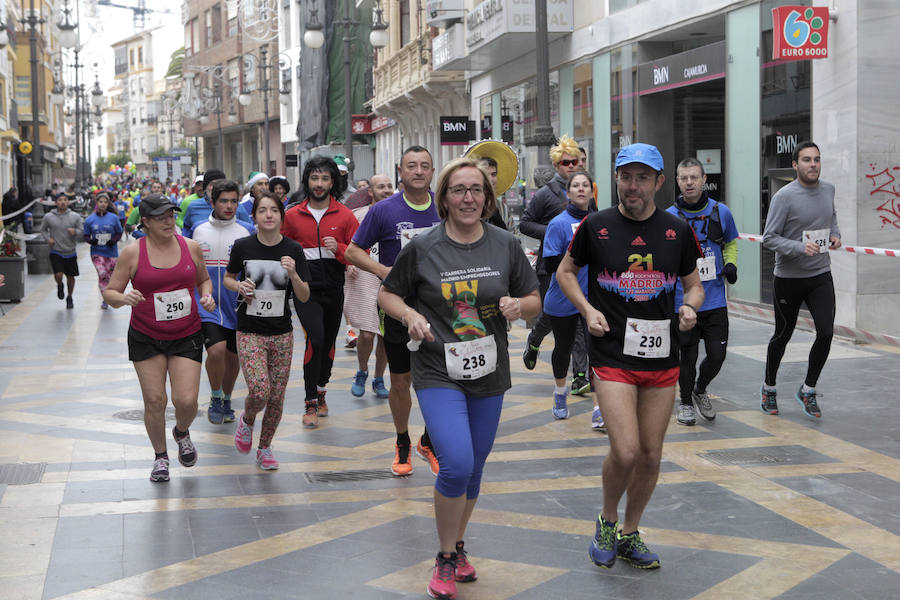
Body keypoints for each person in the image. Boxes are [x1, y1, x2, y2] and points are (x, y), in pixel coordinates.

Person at [378, 157, 540, 599]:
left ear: (488, 199)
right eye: (458, 190)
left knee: (475, 468)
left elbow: (534, 299)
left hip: (489, 369)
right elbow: (387, 293)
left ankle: (459, 545)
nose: (468, 198)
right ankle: (445, 557)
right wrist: (410, 313)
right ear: (444, 199)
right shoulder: (423, 246)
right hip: (437, 369)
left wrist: (519, 308)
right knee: (457, 462)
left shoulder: (505, 245)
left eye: (476, 190)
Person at [556, 143, 703, 570]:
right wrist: (587, 309)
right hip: (612, 353)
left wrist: (690, 305)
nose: (632, 186)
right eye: (625, 177)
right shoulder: (595, 226)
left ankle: (630, 532)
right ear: (615, 180)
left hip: (662, 357)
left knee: (651, 455)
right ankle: (606, 519)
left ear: (659, 182)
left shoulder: (676, 230)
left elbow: (694, 283)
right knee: (625, 451)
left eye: (642, 177)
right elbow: (565, 272)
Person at [102, 194, 216, 482]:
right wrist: (124, 298)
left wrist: (206, 295)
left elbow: (203, 279)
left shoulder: (190, 247)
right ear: (146, 222)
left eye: (171, 215)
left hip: (186, 332)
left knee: (187, 400)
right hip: (146, 335)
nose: (169, 221)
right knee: (155, 400)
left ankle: (181, 431)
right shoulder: (133, 252)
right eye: (161, 217)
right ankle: (161, 457)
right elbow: (110, 292)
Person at [345, 145, 442, 477]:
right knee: (401, 380)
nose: (418, 171)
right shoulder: (383, 211)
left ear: (432, 172)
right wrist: (385, 271)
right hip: (397, 305)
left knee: (439, 379)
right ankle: (402, 440)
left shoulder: (446, 207)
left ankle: (429, 440)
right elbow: (352, 251)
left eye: (424, 166)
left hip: (441, 306)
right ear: (401, 172)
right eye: (411, 166)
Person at [225, 191, 310, 469]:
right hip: (249, 330)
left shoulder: (293, 249)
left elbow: (305, 295)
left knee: (276, 396)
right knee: (260, 390)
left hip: (281, 332)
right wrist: (240, 286)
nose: (269, 215)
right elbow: (228, 278)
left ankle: (265, 448)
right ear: (254, 217)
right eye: (262, 210)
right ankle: (247, 419)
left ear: (282, 217)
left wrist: (294, 274)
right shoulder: (243, 246)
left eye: (274, 210)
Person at [761, 141, 840, 419]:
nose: (813, 165)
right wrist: (798, 247)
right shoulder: (784, 197)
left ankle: (808, 389)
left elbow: (831, 216)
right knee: (782, 335)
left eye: (816, 159)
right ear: (795, 165)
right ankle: (769, 387)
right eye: (806, 160)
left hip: (820, 274)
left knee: (827, 332)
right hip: (789, 278)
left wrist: (835, 234)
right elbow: (769, 238)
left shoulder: (829, 189)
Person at [281, 156, 359, 427]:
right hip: (305, 291)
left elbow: (357, 254)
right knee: (315, 337)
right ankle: (310, 400)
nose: (319, 183)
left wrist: (339, 250)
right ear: (306, 181)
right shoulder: (291, 215)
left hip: (334, 289)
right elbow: (279, 246)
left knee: (328, 342)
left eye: (325, 178)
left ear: (333, 182)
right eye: (314, 178)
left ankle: (322, 388)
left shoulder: (345, 215)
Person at [667, 157, 739, 425]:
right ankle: (685, 403)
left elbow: (731, 243)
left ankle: (700, 389)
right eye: (684, 178)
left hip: (716, 298)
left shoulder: (721, 212)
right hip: (682, 301)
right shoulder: (669, 218)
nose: (689, 183)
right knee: (687, 355)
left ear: (704, 179)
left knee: (717, 355)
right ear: (677, 181)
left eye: (694, 177)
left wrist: (730, 264)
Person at [519, 134, 591, 396]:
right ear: (556, 165)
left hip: (581, 271)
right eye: (565, 163)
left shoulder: (585, 191)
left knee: (581, 319)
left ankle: (580, 375)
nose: (571, 166)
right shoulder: (546, 193)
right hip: (551, 266)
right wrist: (552, 229)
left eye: (575, 162)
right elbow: (524, 223)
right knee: (553, 315)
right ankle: (535, 339)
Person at [541, 171, 603, 429]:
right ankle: (560, 392)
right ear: (568, 193)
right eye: (575, 186)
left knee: (596, 351)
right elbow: (552, 264)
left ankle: (599, 408)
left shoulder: (601, 222)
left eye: (584, 185)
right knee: (563, 348)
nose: (580, 189)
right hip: (563, 297)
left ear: (591, 191)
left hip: (595, 298)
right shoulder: (558, 223)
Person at [192, 180, 254, 424]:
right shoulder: (197, 229)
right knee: (215, 352)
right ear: (212, 202)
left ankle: (227, 398)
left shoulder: (247, 229)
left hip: (238, 303)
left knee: (232, 356)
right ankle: (215, 396)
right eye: (223, 201)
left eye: (233, 201)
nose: (229, 206)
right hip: (207, 303)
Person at [345, 174, 394, 399]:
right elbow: (348, 244)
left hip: (391, 278)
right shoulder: (358, 215)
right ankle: (362, 371)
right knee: (366, 334)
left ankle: (378, 378)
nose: (386, 189)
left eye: (389, 186)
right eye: (380, 186)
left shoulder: (397, 212)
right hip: (364, 277)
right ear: (371, 192)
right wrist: (348, 264)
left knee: (385, 335)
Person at [41, 194, 84, 309]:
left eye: (65, 200)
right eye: (60, 200)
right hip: (56, 251)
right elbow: (43, 229)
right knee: (58, 274)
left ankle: (69, 297)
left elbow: (82, 230)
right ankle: (60, 285)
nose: (63, 202)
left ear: (68, 202)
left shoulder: (75, 216)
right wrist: (48, 239)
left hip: (70, 251)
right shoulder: (49, 216)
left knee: (71, 277)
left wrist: (75, 231)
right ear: (56, 203)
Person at [182, 169, 253, 238]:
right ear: (205, 188)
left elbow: (249, 230)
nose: (215, 188)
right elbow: (186, 228)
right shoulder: (193, 206)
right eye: (212, 184)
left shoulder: (237, 207)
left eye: (219, 184)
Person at [82, 192, 123, 310]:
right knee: (102, 274)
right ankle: (106, 299)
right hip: (97, 252)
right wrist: (91, 241)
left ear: (108, 204)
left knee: (110, 276)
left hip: (111, 252)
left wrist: (113, 240)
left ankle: (108, 297)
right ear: (97, 203)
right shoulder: (90, 219)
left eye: (105, 202)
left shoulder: (114, 218)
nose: (103, 204)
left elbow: (119, 232)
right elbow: (85, 235)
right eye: (101, 202)